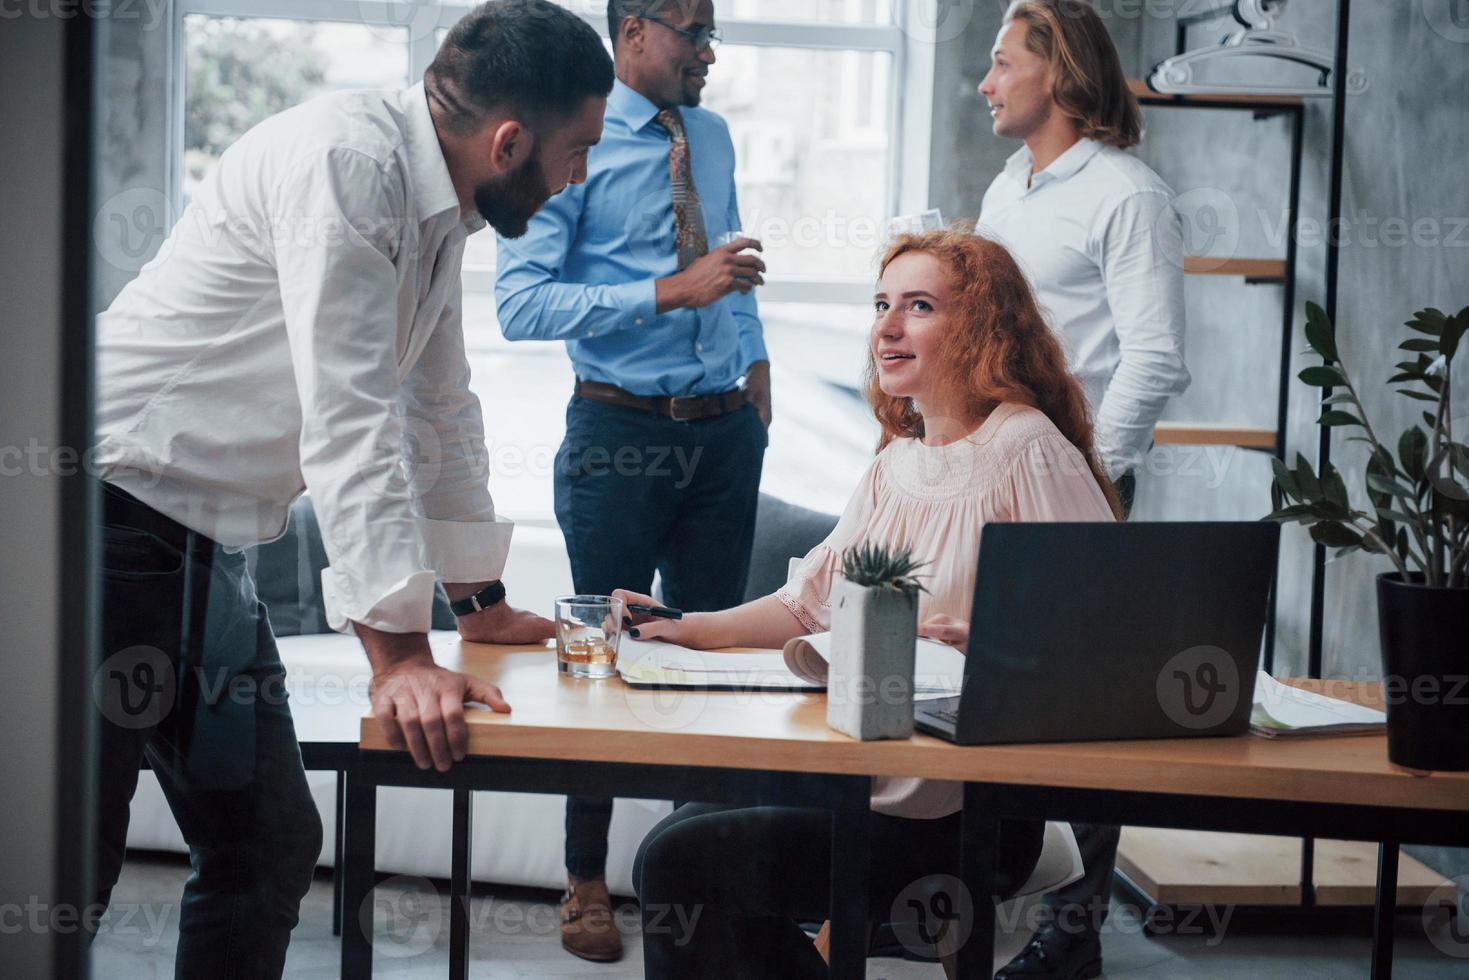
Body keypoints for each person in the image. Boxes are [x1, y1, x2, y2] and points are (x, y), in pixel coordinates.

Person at [89, 2, 611, 973]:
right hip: (98, 519)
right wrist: (401, 655)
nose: (577, 177)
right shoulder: (350, 165)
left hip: (200, 543)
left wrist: (478, 604)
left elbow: (438, 409)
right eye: (577, 149)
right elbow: (350, 416)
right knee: (66, 862)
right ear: (509, 141)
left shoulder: (441, 205)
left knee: (266, 841)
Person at [621, 229, 1122, 978]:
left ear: (983, 326)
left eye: (918, 306)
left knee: (680, 864)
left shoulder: (1026, 446)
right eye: (881, 304)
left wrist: (996, 646)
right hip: (869, 780)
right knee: (682, 831)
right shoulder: (896, 460)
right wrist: (682, 627)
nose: (885, 328)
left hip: (967, 809)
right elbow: (807, 604)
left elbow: (1106, 630)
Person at [494, 0, 770, 962]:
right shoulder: (572, 135)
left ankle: (715, 877)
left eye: (712, 34)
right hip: (616, 433)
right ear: (633, 33)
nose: (706, 52)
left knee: (716, 661)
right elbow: (519, 303)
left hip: (724, 431)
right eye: (691, 33)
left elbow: (728, 251)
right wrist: (665, 292)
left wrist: (756, 365)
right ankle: (585, 880)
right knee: (601, 660)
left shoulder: (714, 133)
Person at [975, 1, 1190, 975]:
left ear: (1055, 73)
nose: (983, 82)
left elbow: (1150, 358)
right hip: (990, 483)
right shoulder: (1005, 191)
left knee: (1081, 722)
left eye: (999, 62)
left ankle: (1069, 941)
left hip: (1080, 497)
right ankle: (965, 908)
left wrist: (1088, 479)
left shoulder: (1125, 194)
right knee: (989, 708)